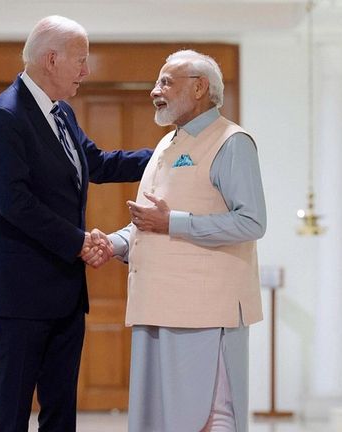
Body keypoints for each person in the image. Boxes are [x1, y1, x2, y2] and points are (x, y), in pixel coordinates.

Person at [0, 15, 152, 432]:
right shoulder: (4, 116)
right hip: (17, 296)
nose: (86, 72)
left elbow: (97, 162)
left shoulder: (62, 113)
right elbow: (15, 203)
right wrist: (79, 242)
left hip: (64, 295)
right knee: (12, 414)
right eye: (81, 61)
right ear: (51, 59)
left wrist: (162, 155)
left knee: (60, 413)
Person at [85, 49, 266, 432]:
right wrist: (115, 242)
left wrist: (173, 223)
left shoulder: (232, 142)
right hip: (157, 306)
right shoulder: (167, 145)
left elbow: (250, 222)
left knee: (211, 416)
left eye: (166, 82)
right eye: (157, 82)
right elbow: (151, 222)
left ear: (200, 87)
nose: (155, 91)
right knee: (162, 419)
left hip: (206, 311)